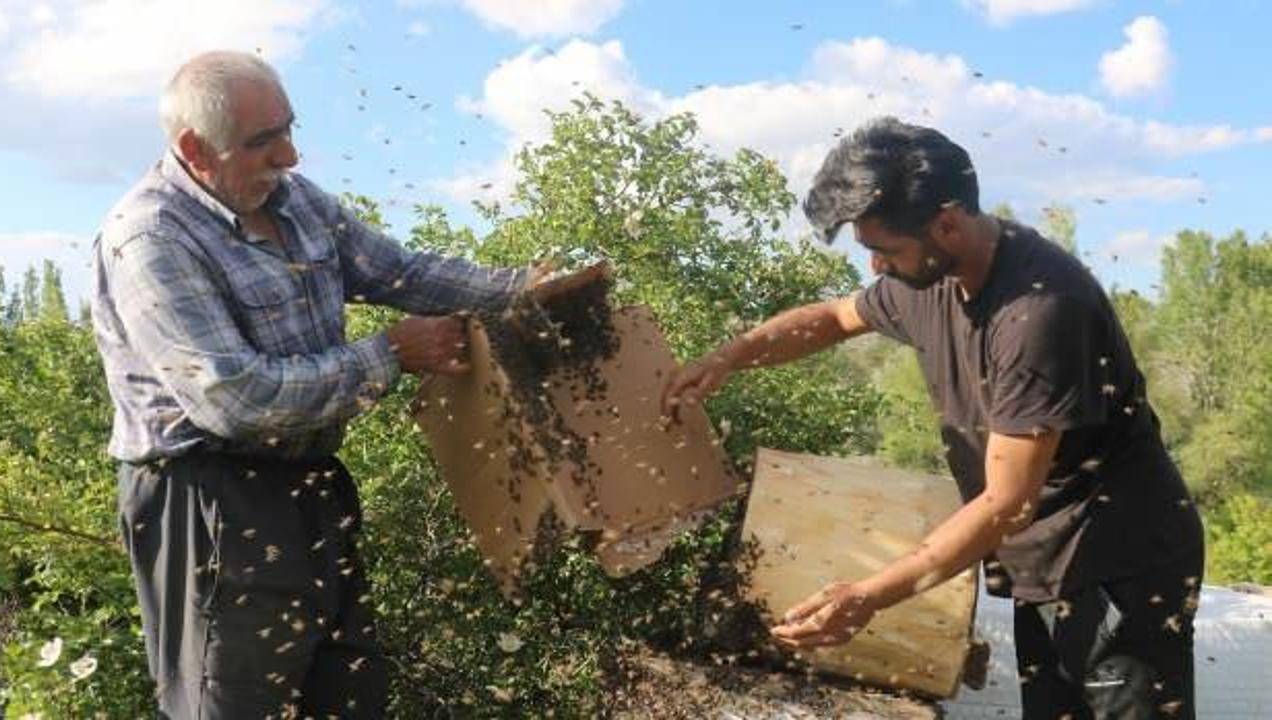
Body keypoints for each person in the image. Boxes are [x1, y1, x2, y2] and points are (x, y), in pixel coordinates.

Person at [662, 117, 1204, 719]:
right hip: (1045, 560)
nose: (874, 268)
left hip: (1122, 561)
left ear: (946, 223)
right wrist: (728, 358)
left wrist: (868, 596)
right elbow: (834, 318)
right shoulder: (927, 280)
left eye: (883, 250)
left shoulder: (1038, 313)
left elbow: (1006, 502)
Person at [91, 50, 537, 718]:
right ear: (194, 147)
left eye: (288, 130)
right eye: (263, 143)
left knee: (344, 695)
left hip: (308, 485)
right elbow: (233, 399)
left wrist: (526, 290)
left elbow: (402, 273)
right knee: (235, 703)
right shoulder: (150, 237)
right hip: (209, 497)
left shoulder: (295, 201)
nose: (290, 158)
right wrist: (388, 354)